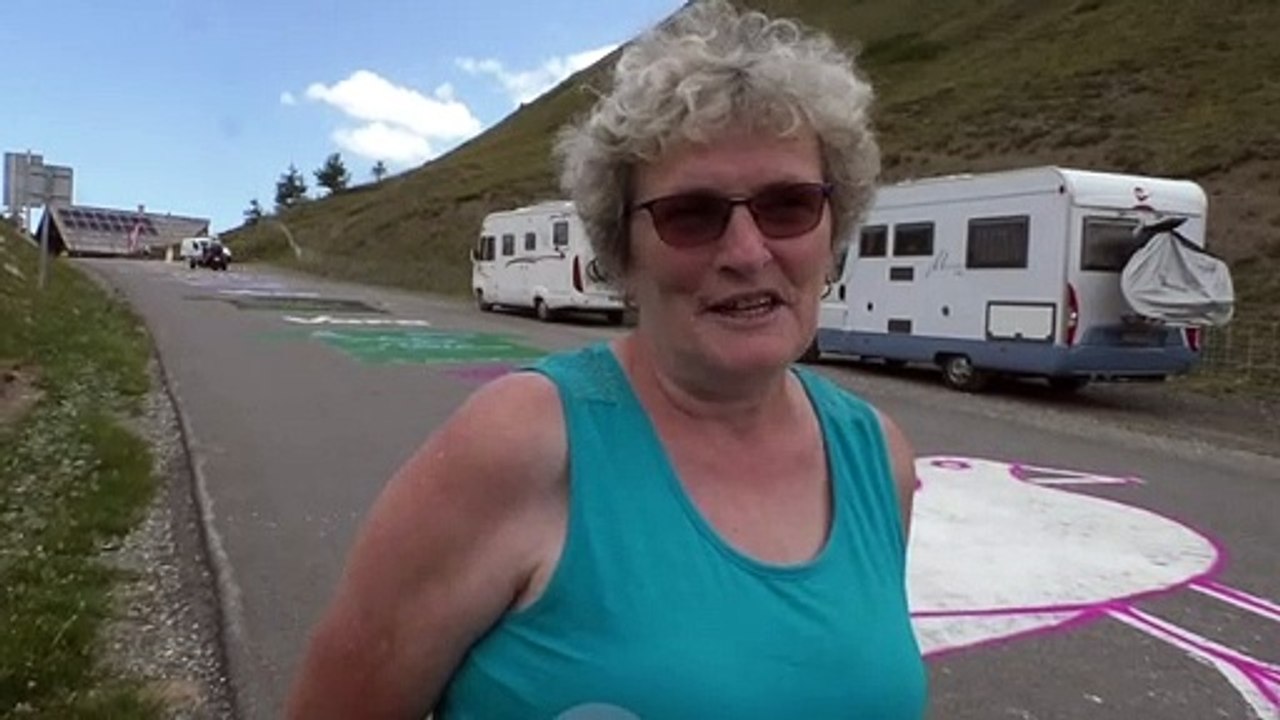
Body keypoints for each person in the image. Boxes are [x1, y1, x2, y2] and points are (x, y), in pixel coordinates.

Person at [286, 1, 928, 717]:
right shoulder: (518, 448)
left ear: (835, 226)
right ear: (621, 253)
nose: (748, 253)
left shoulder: (880, 460)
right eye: (691, 215)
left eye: (788, 206)